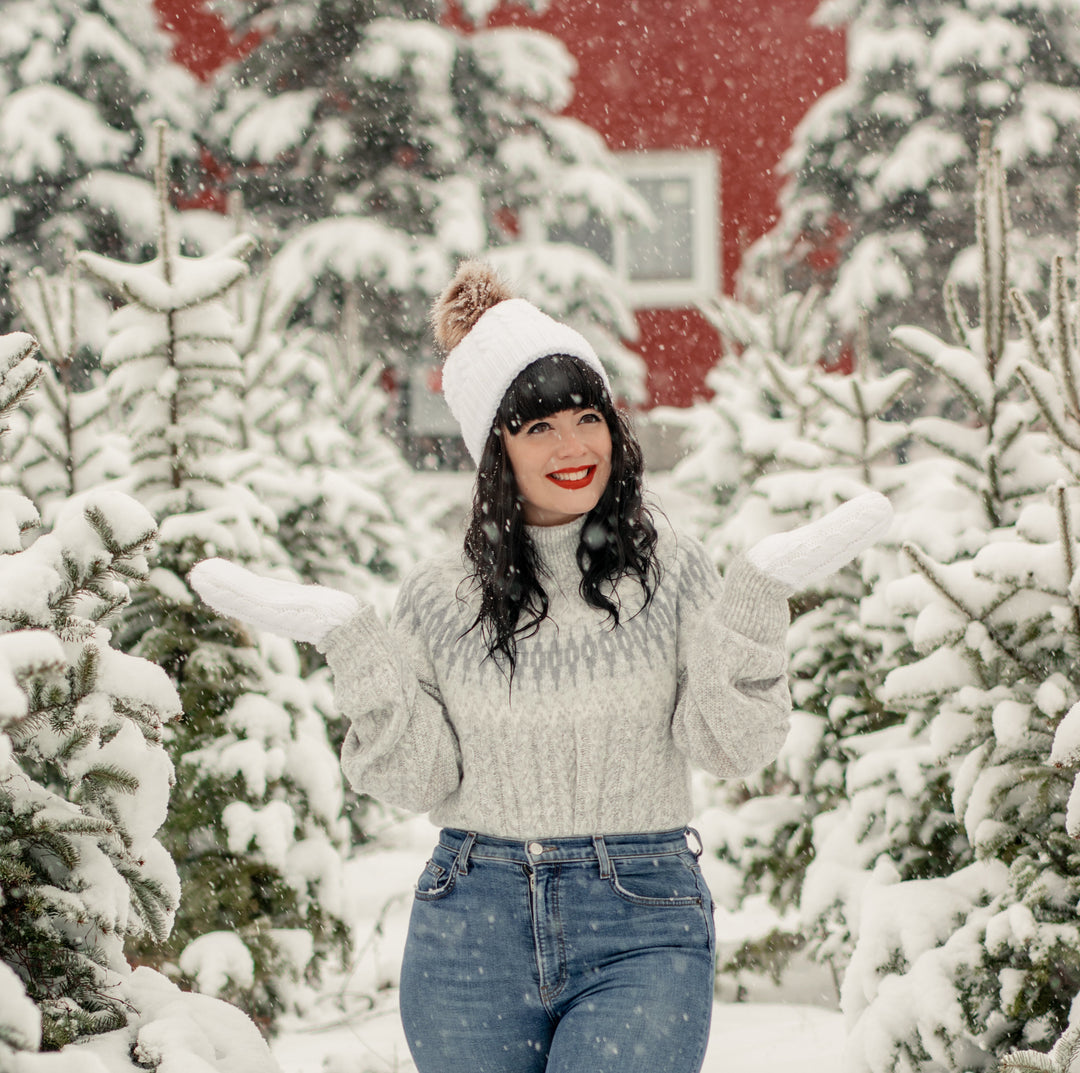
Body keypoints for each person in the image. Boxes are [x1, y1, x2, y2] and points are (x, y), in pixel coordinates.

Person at [190, 262, 892, 1073]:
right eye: (539, 428)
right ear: (497, 449)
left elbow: (730, 746)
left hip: (640, 915)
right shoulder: (440, 594)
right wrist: (353, 639)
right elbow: (419, 779)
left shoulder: (671, 572)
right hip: (470, 921)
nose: (574, 446)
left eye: (587, 416)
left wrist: (755, 601)